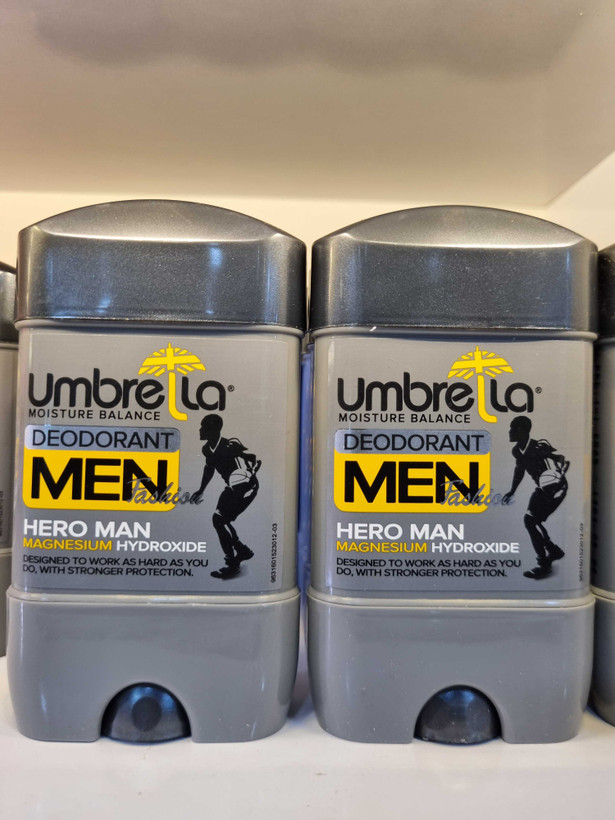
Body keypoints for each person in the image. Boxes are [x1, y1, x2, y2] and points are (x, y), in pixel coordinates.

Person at [192, 414, 261, 580]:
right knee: (220, 520)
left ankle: (233, 561)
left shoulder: (229, 445)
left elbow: (251, 458)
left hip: (245, 486)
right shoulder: (207, 449)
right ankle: (241, 550)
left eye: (203, 427)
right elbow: (209, 469)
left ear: (213, 430)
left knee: (218, 520)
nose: (200, 430)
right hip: (232, 487)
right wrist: (201, 489)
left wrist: (250, 468)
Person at [502, 416, 569, 580]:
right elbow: (519, 471)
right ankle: (553, 550)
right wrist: (512, 491)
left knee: (530, 520)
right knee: (532, 521)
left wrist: (559, 471)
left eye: (512, 428)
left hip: (555, 488)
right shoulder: (517, 450)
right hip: (542, 489)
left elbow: (560, 458)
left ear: (521, 430)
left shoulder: (538, 446)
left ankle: (544, 564)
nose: (509, 432)